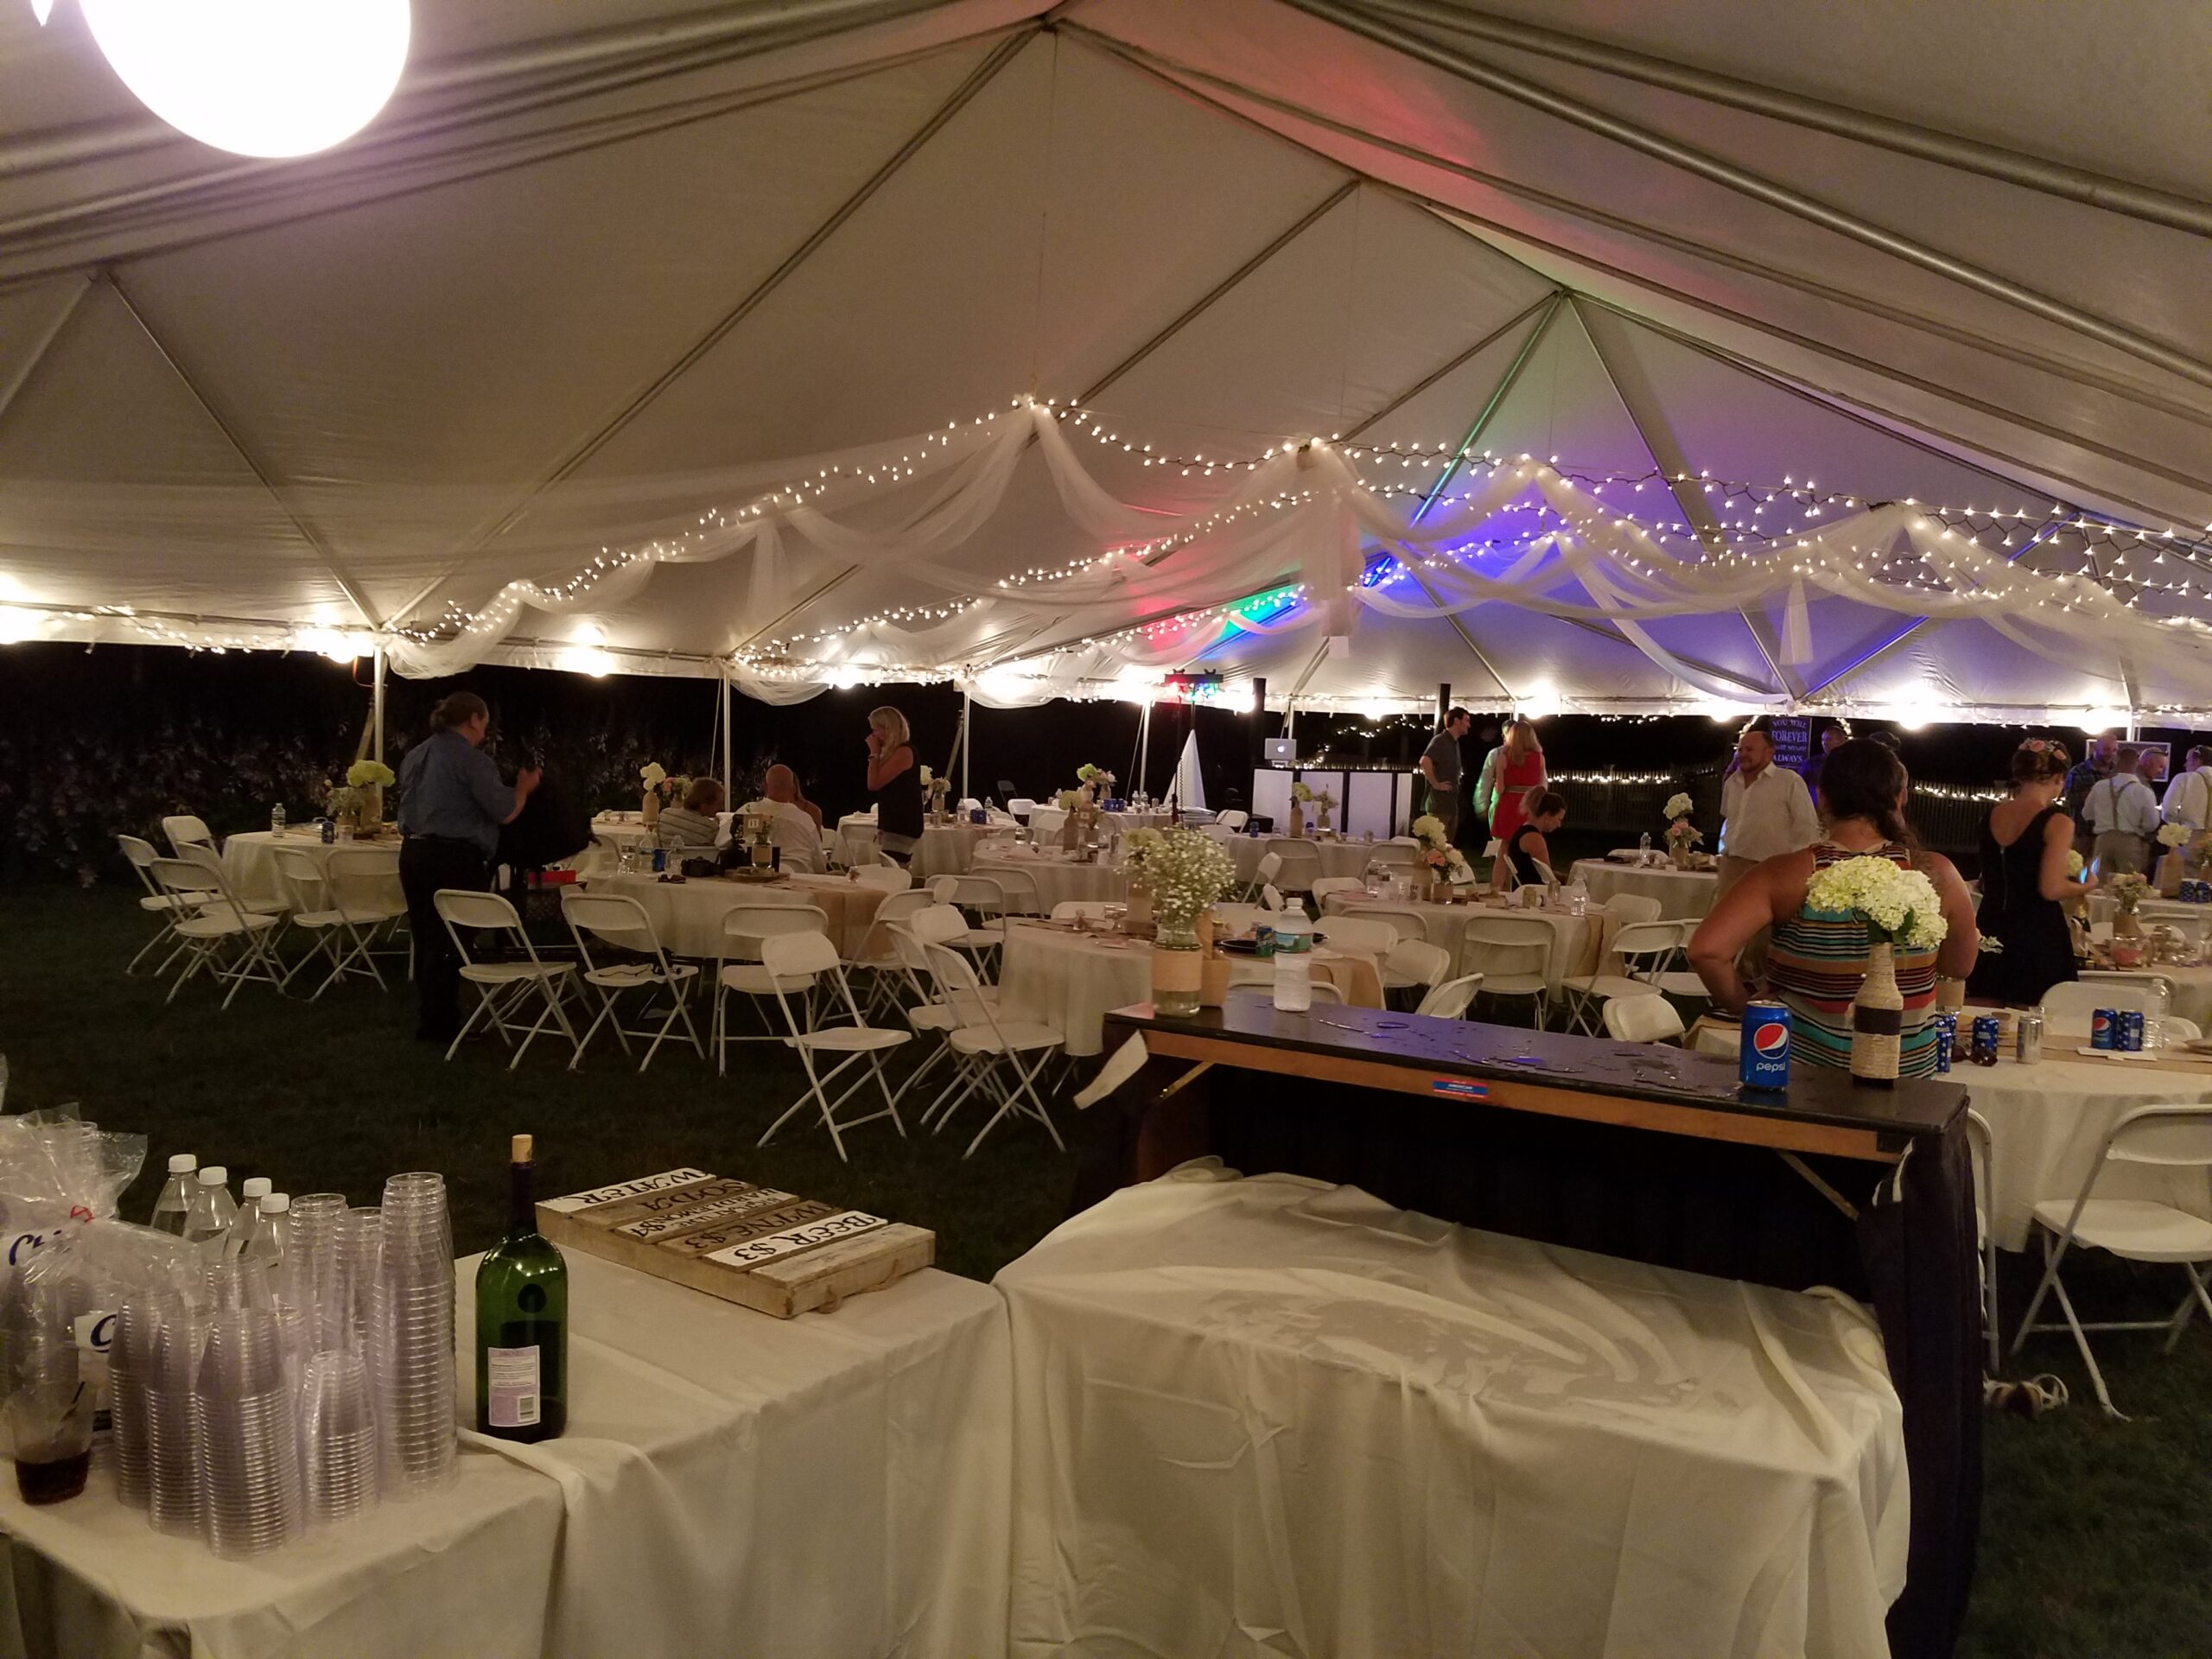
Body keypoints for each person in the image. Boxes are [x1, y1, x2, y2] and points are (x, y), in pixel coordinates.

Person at [1689, 739, 1978, 1076]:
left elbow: (1706, 951)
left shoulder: (1785, 873)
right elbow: (1959, 966)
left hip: (1800, 1075)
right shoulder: (1937, 873)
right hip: (1908, 1078)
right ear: (1900, 797)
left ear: (1822, 798)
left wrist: (1745, 1007)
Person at [397, 691, 541, 1044]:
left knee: (427, 938)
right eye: (484, 724)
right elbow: (504, 811)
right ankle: (443, 1025)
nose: (484, 732)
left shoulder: (416, 754)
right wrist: (523, 789)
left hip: (413, 853)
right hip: (453, 859)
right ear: (474, 719)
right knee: (453, 942)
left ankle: (431, 1019)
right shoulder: (470, 759)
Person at [1969, 739, 2092, 1007]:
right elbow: (2050, 889)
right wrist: (2085, 886)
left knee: (1981, 1020)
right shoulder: (2058, 822)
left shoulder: (1989, 817)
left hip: (1990, 925)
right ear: (2059, 778)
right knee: (2033, 1020)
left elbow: (1984, 880)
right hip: (2036, 932)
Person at [2080, 744, 2159, 874]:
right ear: (2137, 764)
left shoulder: (2100, 786)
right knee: (2128, 886)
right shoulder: (2144, 791)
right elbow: (2151, 824)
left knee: (2099, 885)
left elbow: (2086, 814)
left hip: (2103, 840)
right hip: (2130, 842)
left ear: (2117, 761)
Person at [865, 705, 924, 862]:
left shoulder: (904, 752)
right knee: (891, 868)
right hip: (894, 822)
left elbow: (874, 783)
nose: (873, 735)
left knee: (893, 872)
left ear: (888, 729)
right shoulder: (896, 752)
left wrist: (874, 754)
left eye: (876, 729)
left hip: (902, 823)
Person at [741, 764, 826, 873]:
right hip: (799, 879)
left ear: (765, 786)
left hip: (754, 877)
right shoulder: (805, 820)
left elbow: (721, 841)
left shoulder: (748, 811)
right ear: (793, 788)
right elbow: (819, 864)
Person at [1485, 719, 1547, 850]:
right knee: (1528, 846)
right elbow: (1541, 787)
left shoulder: (1503, 757)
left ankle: (1501, 871)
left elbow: (1500, 789)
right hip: (1530, 806)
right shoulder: (1540, 758)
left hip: (1508, 805)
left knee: (1504, 849)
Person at [1418, 707, 1471, 842]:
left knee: (1446, 850)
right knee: (1437, 849)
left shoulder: (1454, 743)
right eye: (1466, 720)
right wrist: (1436, 784)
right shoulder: (1441, 740)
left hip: (1450, 806)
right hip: (1439, 806)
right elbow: (1425, 761)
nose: (1469, 725)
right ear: (1456, 721)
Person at [1496, 789, 1565, 892]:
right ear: (1547, 815)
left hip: (1523, 889)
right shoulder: (1534, 838)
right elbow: (1548, 876)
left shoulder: (1523, 831)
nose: (1559, 824)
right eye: (1558, 819)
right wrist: (1570, 878)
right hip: (1534, 892)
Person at [2064, 729, 2119, 852]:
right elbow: (2070, 801)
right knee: (2079, 869)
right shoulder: (2078, 771)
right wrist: (2099, 788)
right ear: (2095, 748)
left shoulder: (2118, 773)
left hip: (2109, 835)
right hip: (2084, 834)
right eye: (2106, 749)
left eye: (2114, 750)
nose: (2110, 753)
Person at [654, 777, 725, 849]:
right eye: (719, 803)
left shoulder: (665, 815)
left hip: (666, 859)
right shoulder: (710, 829)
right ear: (704, 805)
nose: (722, 808)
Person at [2163, 744, 2212, 829]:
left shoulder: (2183, 778)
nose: (2185, 765)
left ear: (2198, 761)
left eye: (2188, 760)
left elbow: (2169, 810)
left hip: (2190, 836)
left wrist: (2178, 827)